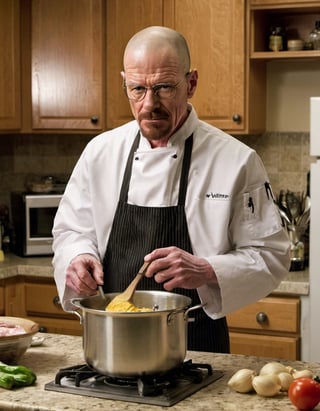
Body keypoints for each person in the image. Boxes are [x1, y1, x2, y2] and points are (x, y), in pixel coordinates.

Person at [52, 26, 290, 353]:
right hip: (112, 344)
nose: (149, 103)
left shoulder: (236, 160)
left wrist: (205, 269)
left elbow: (270, 256)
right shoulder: (100, 152)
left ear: (191, 83)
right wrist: (78, 257)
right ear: (125, 82)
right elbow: (72, 229)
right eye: (136, 88)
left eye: (164, 87)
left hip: (197, 345)